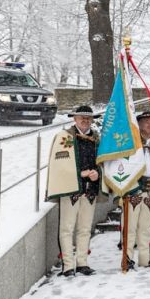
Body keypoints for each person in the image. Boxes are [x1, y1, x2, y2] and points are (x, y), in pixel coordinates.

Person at [46, 105, 102, 277]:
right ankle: (68, 265)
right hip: (71, 189)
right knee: (67, 228)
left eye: (88, 117)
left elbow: (104, 161)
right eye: (81, 117)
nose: (85, 120)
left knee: (85, 228)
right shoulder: (64, 137)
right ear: (74, 118)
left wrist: (97, 173)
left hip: (90, 190)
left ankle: (82, 263)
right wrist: (80, 173)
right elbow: (59, 164)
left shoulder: (97, 139)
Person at [122, 111, 150, 270]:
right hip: (133, 190)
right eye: (147, 121)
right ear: (139, 124)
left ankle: (145, 259)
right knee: (130, 227)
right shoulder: (130, 143)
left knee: (146, 228)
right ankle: (127, 259)